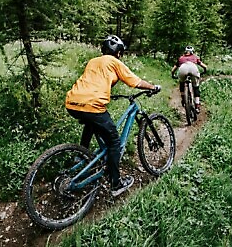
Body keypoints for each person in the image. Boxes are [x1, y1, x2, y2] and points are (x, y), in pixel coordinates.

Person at [65, 35, 160, 197]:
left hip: (72, 102)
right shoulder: (115, 62)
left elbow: (97, 82)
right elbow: (135, 82)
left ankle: (81, 156)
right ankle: (116, 184)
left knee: (90, 123)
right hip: (92, 104)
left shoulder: (93, 61)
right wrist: (152, 87)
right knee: (114, 141)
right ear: (118, 53)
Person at [170, 45, 207, 113]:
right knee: (196, 87)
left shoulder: (181, 58)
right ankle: (197, 105)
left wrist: (173, 75)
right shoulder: (195, 57)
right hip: (193, 68)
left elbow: (173, 70)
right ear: (192, 52)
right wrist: (205, 70)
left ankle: (183, 97)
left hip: (183, 68)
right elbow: (204, 66)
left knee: (181, 83)